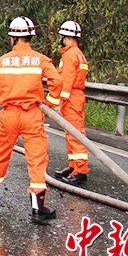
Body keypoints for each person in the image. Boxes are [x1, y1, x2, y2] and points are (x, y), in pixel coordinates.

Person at [0, 16, 61, 224]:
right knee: (36, 157)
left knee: (1, 153)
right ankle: (37, 205)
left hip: (8, 114)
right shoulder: (40, 60)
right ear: (30, 37)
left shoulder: (2, 61)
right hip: (32, 114)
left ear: (12, 39)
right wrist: (50, 103)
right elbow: (57, 81)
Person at [50, 20, 90, 187]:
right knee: (71, 133)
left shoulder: (69, 55)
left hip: (72, 98)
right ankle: (74, 167)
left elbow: (66, 81)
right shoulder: (79, 54)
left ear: (65, 37)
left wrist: (60, 101)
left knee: (75, 135)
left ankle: (80, 171)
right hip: (76, 96)